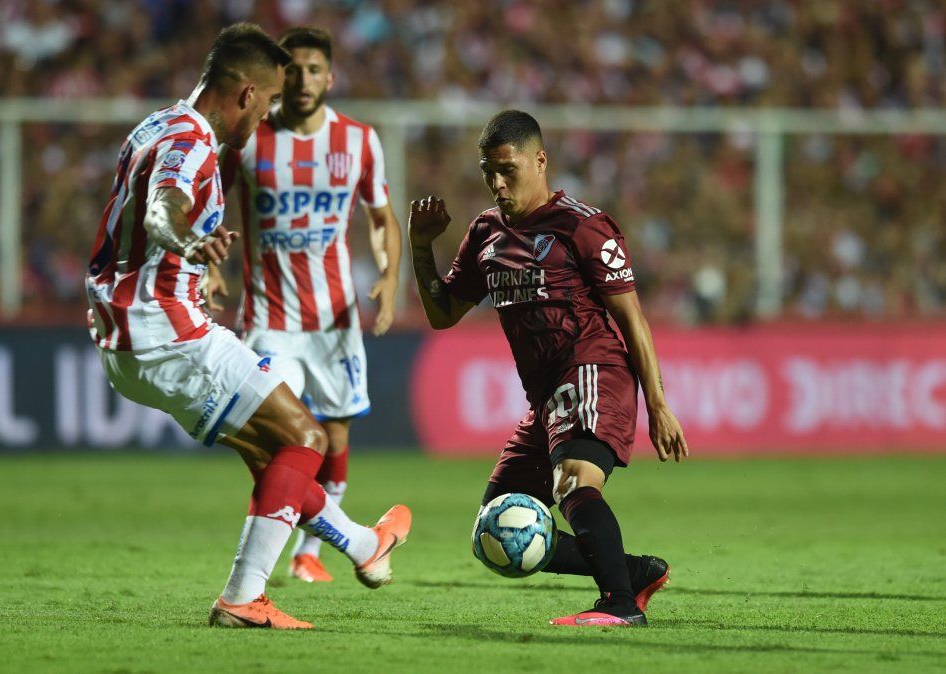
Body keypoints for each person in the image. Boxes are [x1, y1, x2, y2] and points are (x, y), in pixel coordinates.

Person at [84, 23, 410, 631]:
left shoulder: (157, 123)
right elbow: (164, 208)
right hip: (166, 330)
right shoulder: (195, 144)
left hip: (128, 338)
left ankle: (365, 546)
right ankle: (241, 597)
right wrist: (190, 236)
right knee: (307, 438)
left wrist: (190, 243)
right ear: (244, 94)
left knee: (273, 450)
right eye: (264, 105)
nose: (264, 121)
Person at [407, 110, 688, 627]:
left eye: (508, 170)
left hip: (592, 372)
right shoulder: (486, 232)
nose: (497, 184)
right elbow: (443, 313)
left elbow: (633, 319)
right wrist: (421, 247)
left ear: (540, 161)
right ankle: (634, 574)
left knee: (574, 482)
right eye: (488, 172)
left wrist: (659, 405)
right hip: (546, 400)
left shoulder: (581, 225)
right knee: (493, 530)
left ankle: (621, 606)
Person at [216, 26, 402, 583]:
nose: (302, 79)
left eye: (313, 69)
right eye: (292, 69)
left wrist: (391, 276)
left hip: (334, 319)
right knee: (279, 440)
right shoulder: (248, 138)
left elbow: (380, 218)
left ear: (330, 77)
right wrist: (204, 267)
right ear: (279, 75)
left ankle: (310, 554)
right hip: (268, 322)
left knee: (337, 436)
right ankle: (342, 542)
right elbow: (209, 206)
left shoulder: (359, 141)